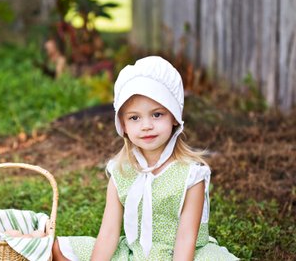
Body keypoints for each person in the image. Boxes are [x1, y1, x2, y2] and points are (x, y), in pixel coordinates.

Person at [52, 56, 238, 260]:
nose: (146, 125)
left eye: (157, 115)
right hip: (137, 253)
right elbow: (109, 233)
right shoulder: (121, 171)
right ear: (123, 125)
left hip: (183, 255)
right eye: (134, 118)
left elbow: (186, 238)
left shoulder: (191, 175)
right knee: (59, 249)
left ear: (174, 116)